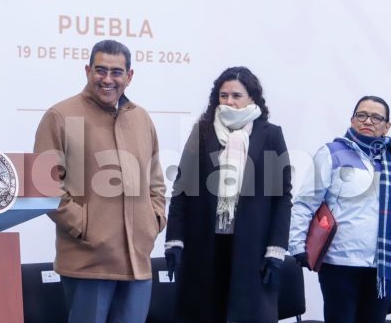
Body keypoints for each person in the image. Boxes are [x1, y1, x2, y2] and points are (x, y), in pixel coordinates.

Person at [33, 39, 166, 323]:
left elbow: (156, 181)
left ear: (129, 76)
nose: (107, 79)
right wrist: (84, 226)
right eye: (100, 70)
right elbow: (44, 185)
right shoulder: (60, 116)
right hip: (88, 263)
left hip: (138, 263)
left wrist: (153, 221)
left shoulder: (141, 119)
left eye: (116, 72)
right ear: (87, 71)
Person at [165, 66, 292, 323]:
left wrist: (276, 249)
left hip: (252, 248)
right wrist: (175, 240)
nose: (229, 101)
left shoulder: (270, 135)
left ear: (252, 98)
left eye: (236, 95)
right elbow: (181, 190)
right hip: (204, 246)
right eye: (223, 96)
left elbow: (282, 198)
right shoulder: (202, 132)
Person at [289, 95, 391, 323]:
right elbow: (306, 202)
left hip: (382, 268)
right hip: (339, 263)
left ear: (387, 126)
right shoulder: (332, 153)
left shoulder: (389, 160)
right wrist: (296, 245)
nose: (368, 121)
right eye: (362, 115)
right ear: (352, 120)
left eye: (376, 117)